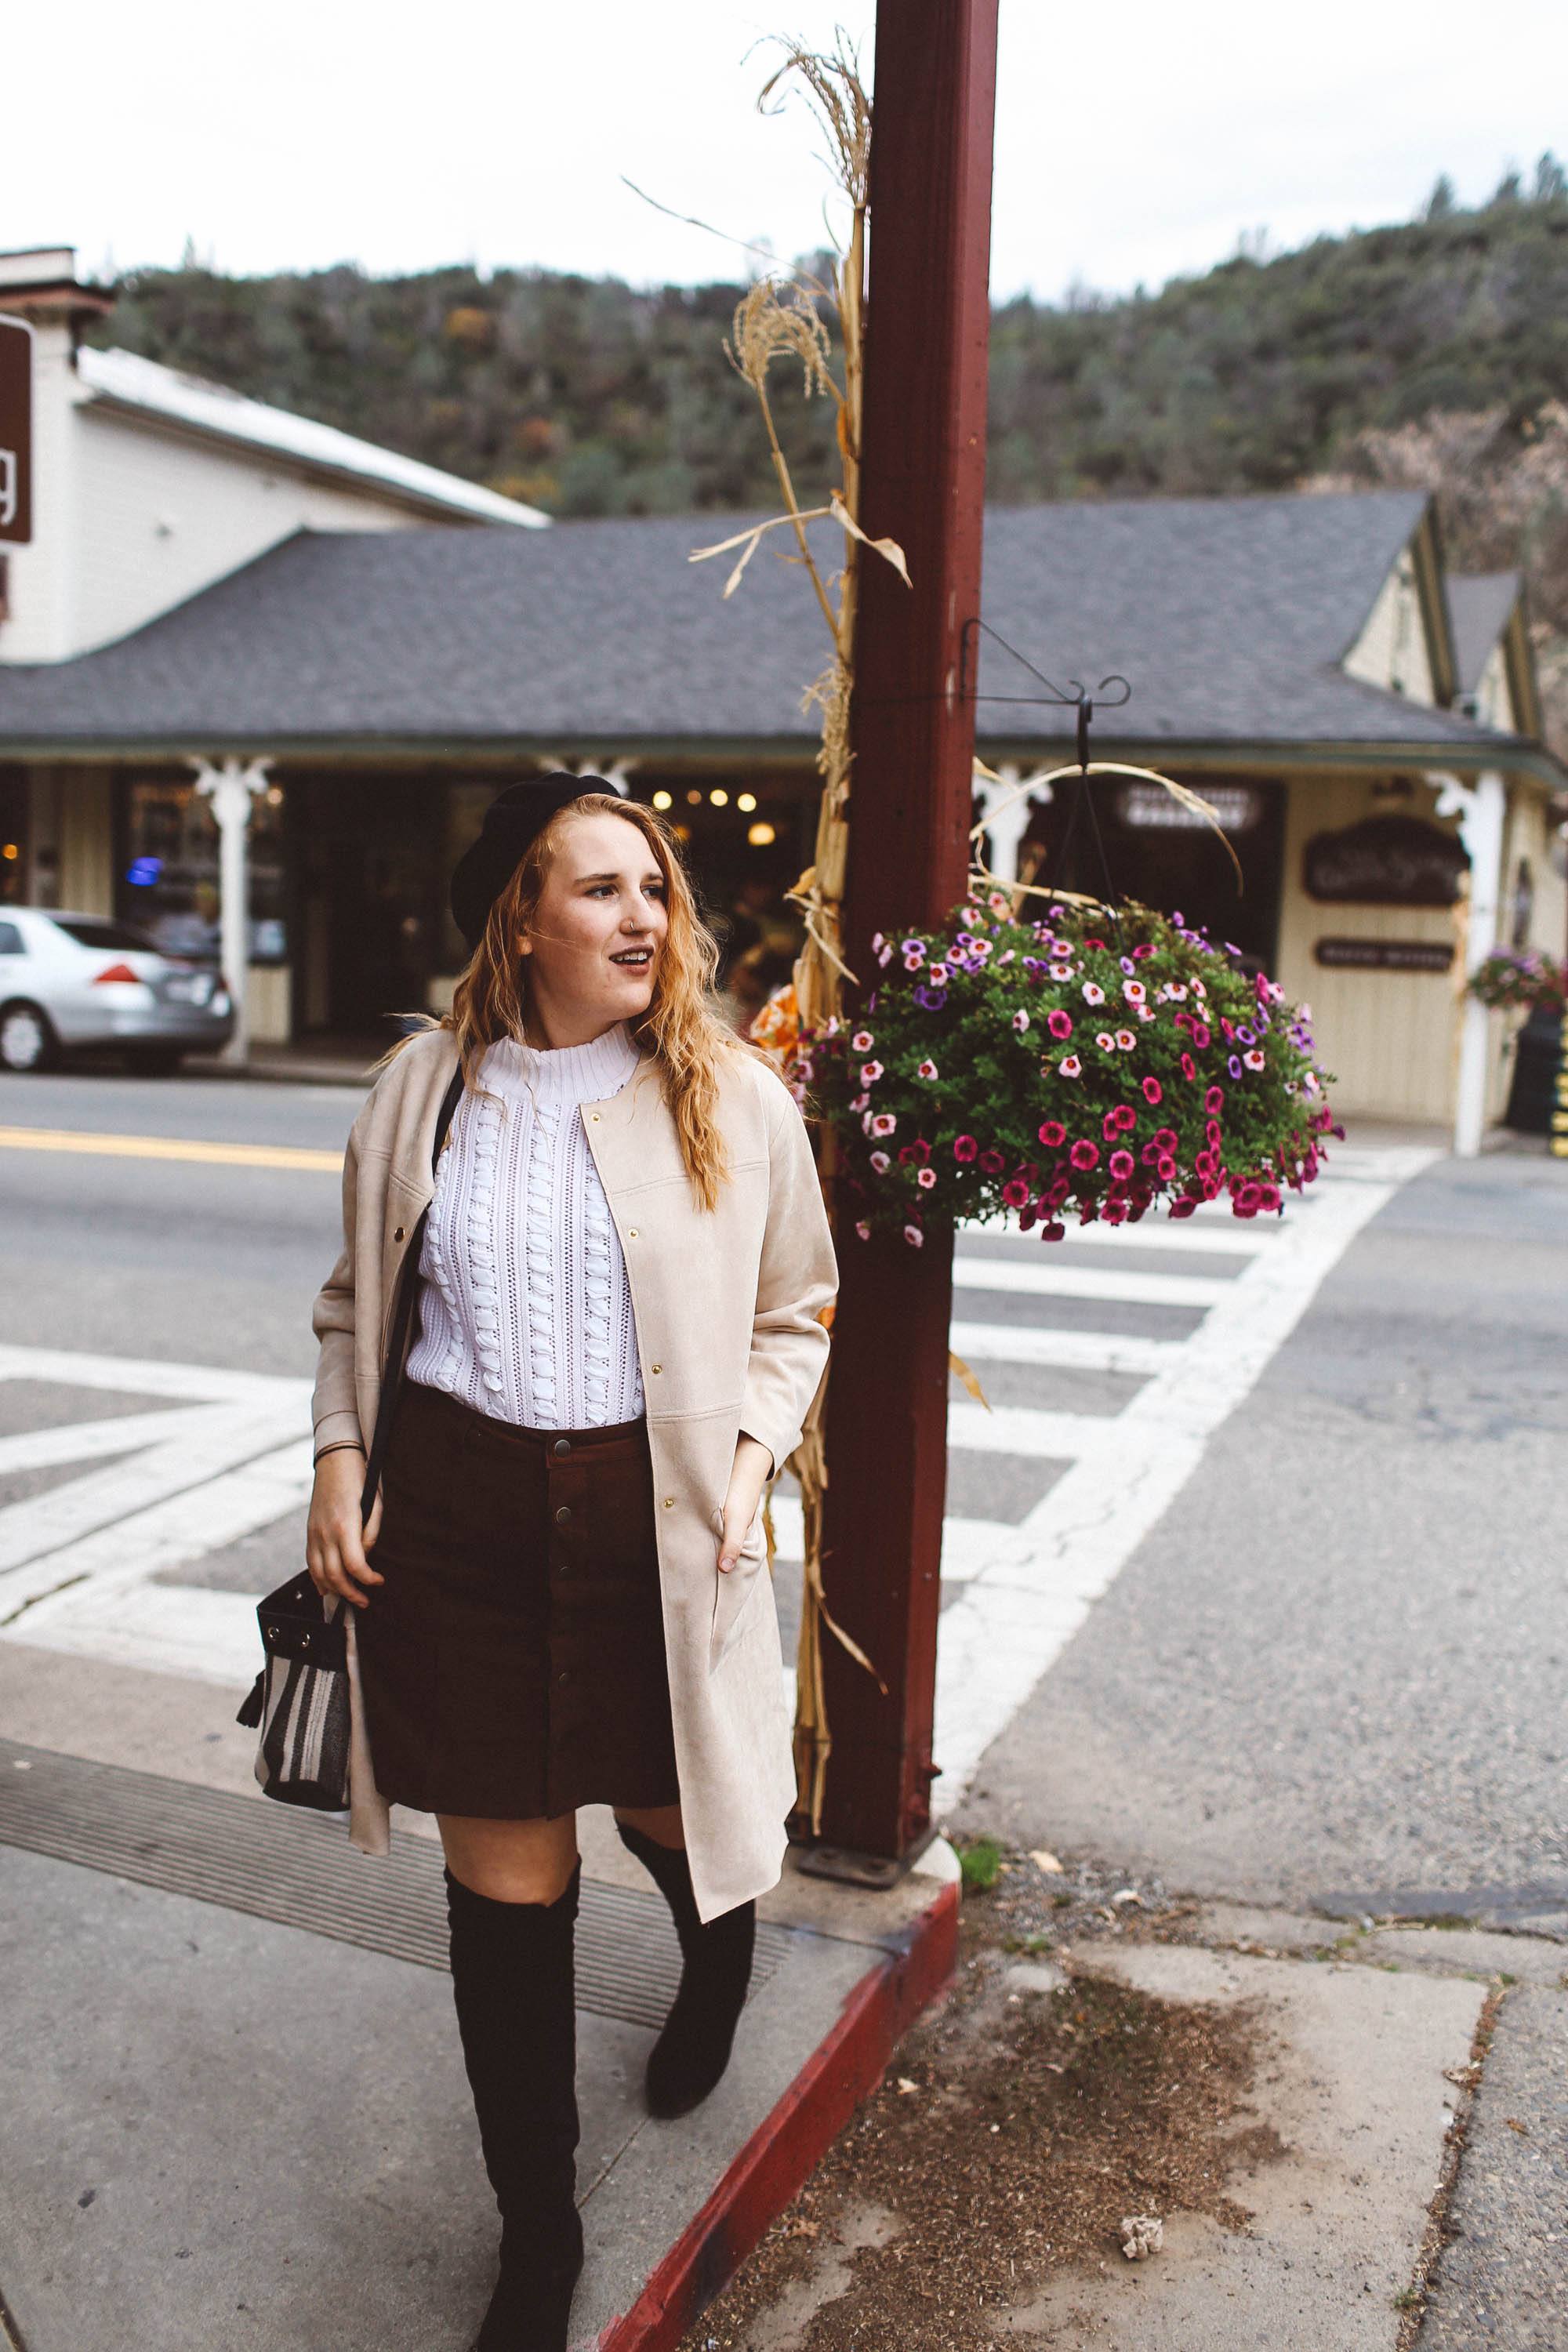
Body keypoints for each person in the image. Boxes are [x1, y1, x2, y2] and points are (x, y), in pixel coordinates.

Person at [304, 775, 837, 2352]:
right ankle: (537, 2231)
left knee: (671, 1810)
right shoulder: (420, 1090)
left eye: (654, 888)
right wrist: (339, 1456)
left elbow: (794, 1312)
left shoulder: (731, 1095)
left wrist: (749, 1459)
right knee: (507, 1899)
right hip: (457, 1527)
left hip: (650, 1521)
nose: (643, 916)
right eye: (600, 889)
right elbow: (354, 1306)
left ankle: (715, 1958)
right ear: (520, 918)